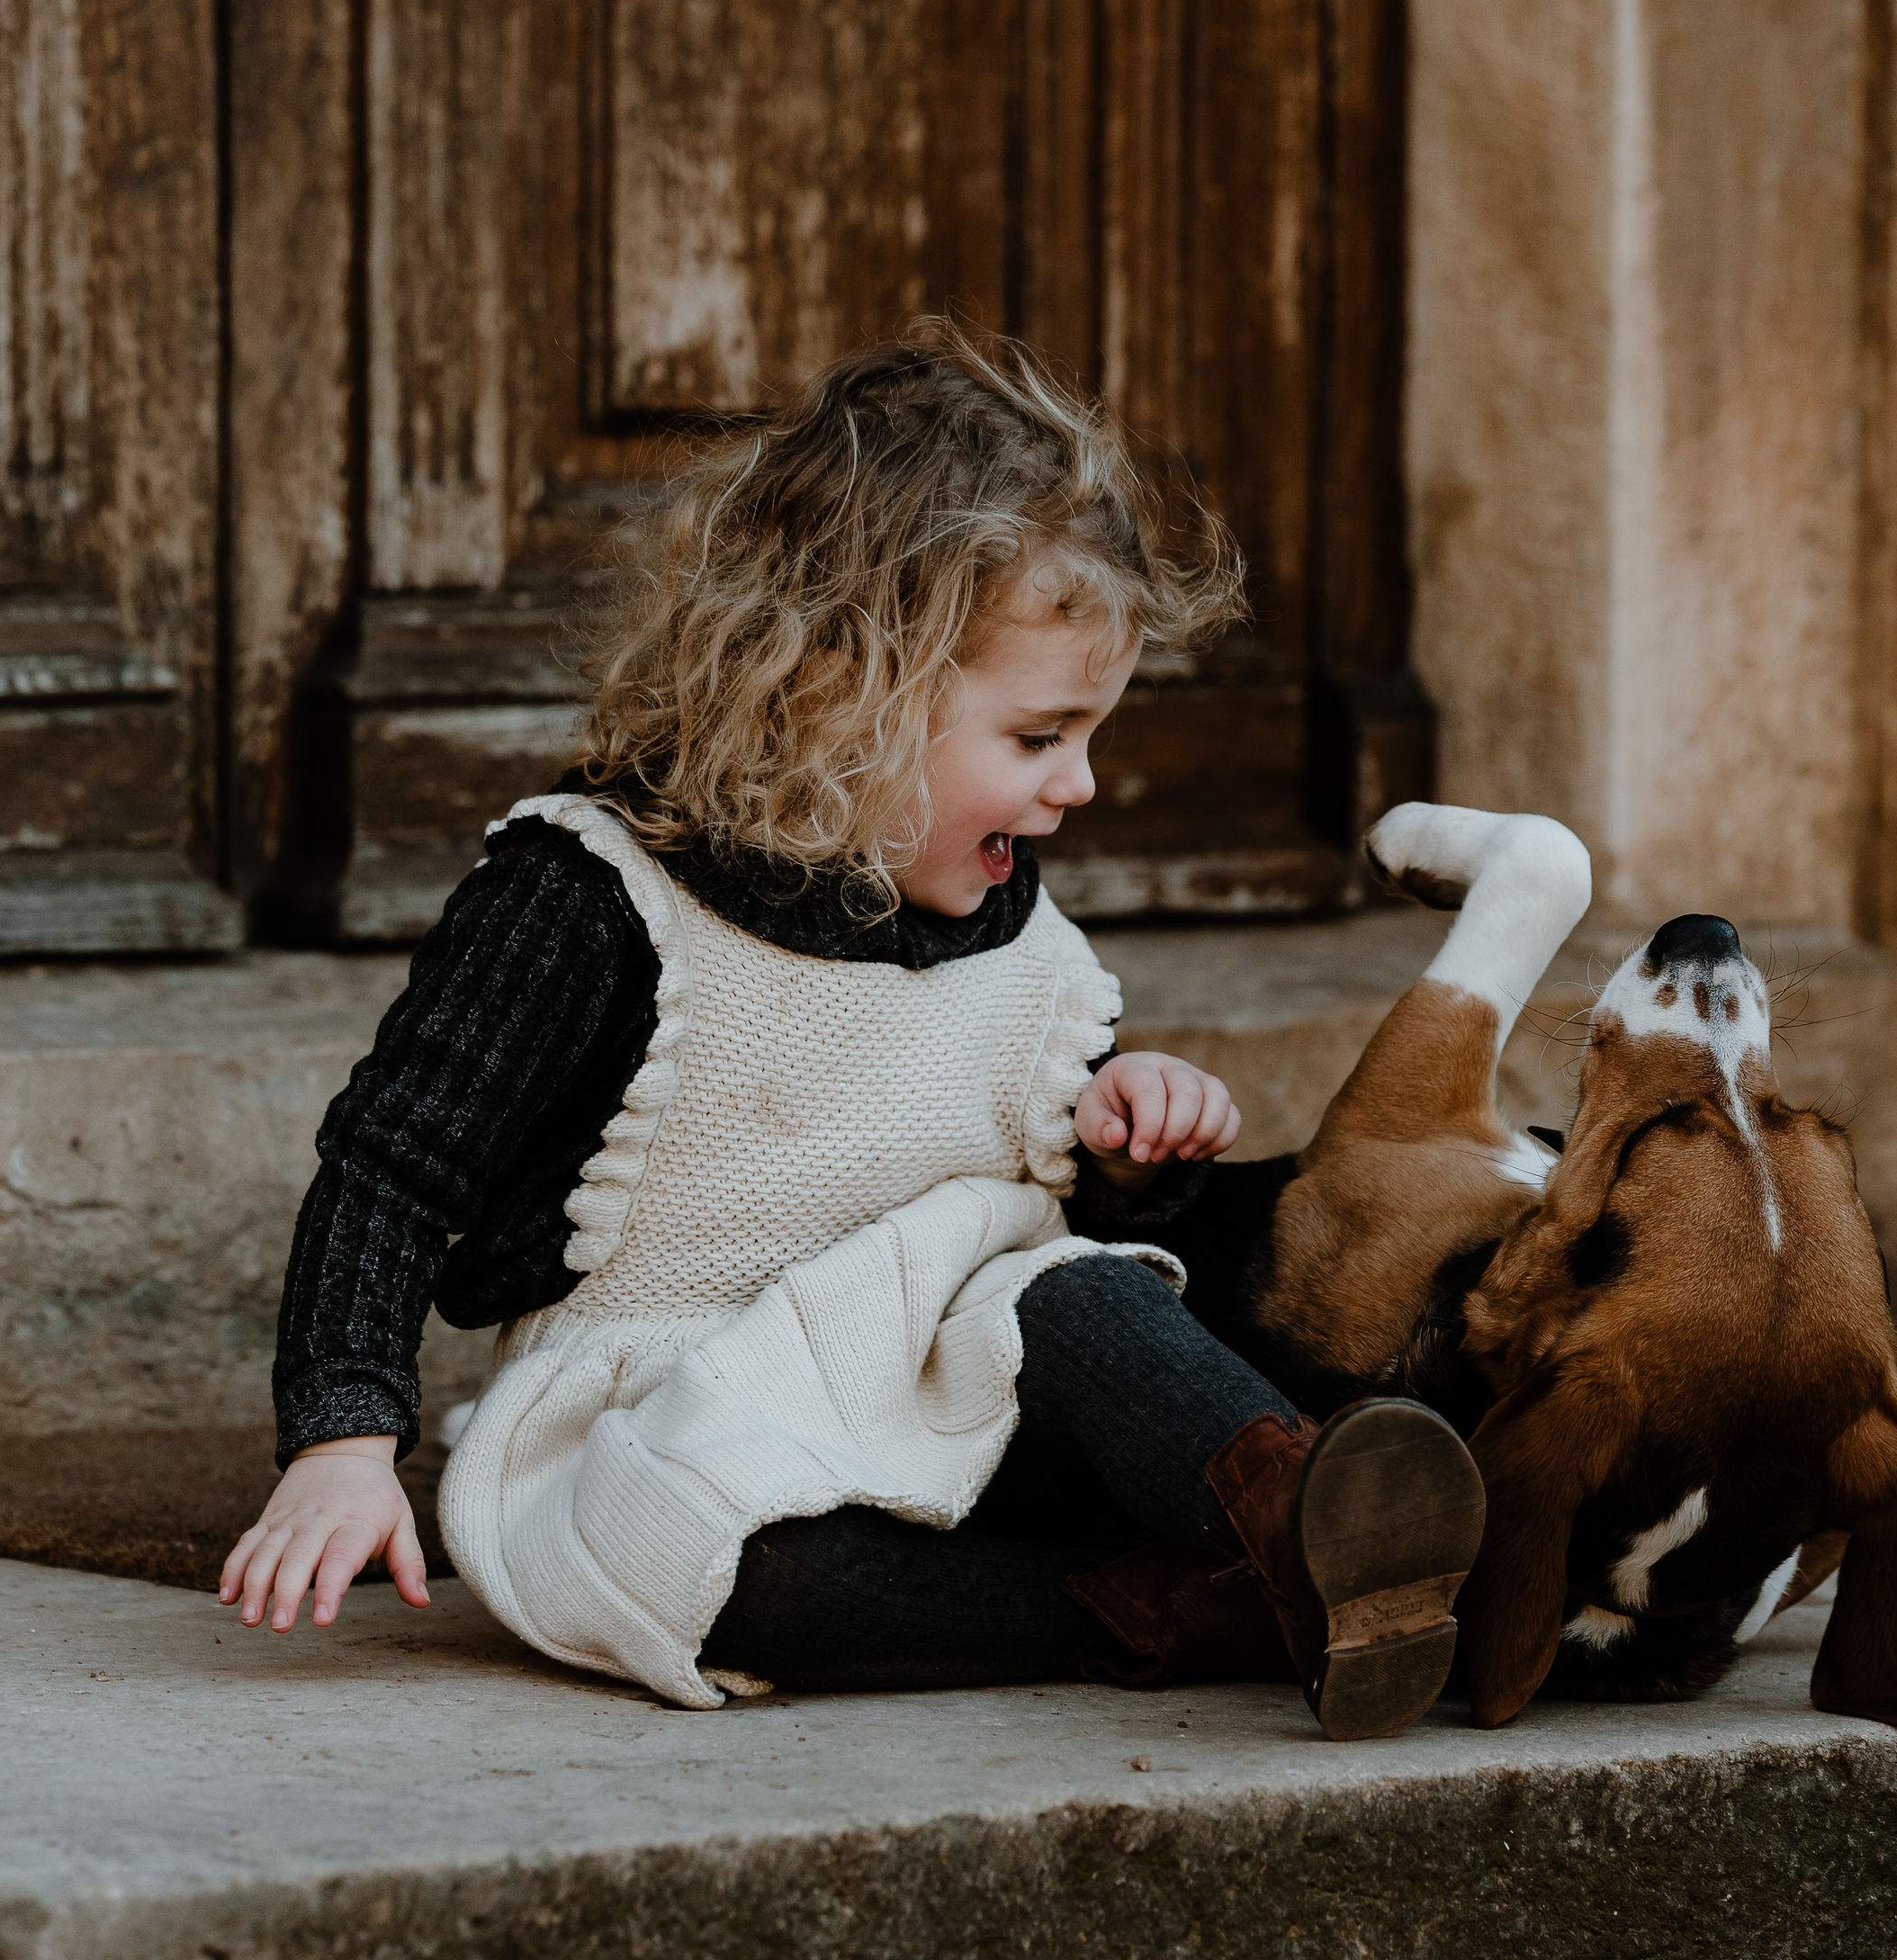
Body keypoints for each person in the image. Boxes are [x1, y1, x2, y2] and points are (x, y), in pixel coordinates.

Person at [215, 322, 1484, 1740]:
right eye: (1037, 738)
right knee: (710, 1567)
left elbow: (1057, 1206)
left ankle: (1317, 1516)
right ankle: (1200, 1605)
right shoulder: (592, 898)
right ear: (836, 688)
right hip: (694, 1400)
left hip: (948, 1373)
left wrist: (1133, 1138)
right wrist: (342, 1438)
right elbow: (392, 1171)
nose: (1079, 785)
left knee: (1087, 1300)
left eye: (1090, 738)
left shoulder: (1023, 941)